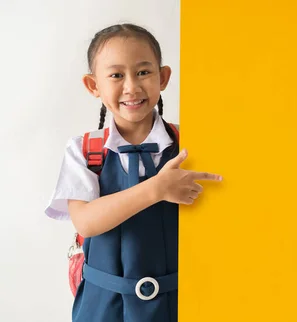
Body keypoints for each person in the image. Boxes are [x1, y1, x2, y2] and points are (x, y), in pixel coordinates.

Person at [45, 23, 222, 322]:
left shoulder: (191, 145)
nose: (131, 86)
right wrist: (157, 188)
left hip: (181, 305)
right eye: (116, 75)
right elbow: (86, 222)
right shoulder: (85, 150)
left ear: (163, 77)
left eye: (143, 72)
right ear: (93, 86)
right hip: (101, 309)